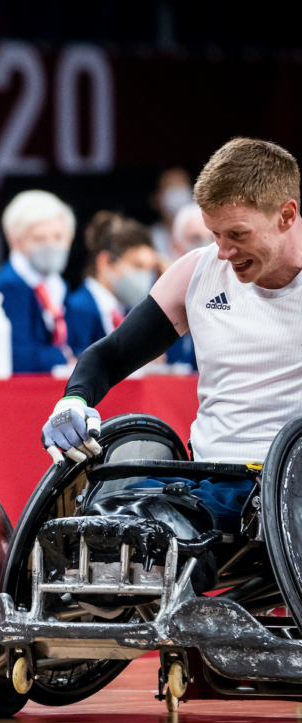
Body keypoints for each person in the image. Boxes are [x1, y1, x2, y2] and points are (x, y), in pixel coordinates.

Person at [41, 137, 302, 534]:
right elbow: (109, 357)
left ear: (286, 215)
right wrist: (74, 400)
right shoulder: (197, 271)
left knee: (158, 533)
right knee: (100, 525)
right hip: (206, 479)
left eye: (238, 234)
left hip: (284, 489)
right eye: (214, 234)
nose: (223, 252)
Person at [0, 190, 75, 374]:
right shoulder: (9, 285)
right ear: (16, 242)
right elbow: (20, 359)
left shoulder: (56, 286)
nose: (51, 245)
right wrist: (66, 356)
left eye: (58, 237)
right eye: (39, 238)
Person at [65, 212, 159, 356]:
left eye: (150, 268)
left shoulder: (128, 313)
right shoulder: (77, 309)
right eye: (138, 265)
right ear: (106, 262)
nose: (145, 276)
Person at [164, 202, 214, 368]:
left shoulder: (238, 295)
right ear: (175, 245)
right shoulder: (157, 295)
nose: (205, 247)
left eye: (212, 238)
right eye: (195, 239)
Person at [150, 167, 195, 263]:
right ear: (155, 198)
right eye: (172, 190)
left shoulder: (209, 235)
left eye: (182, 189)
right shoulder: (149, 239)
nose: (178, 197)